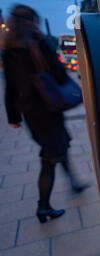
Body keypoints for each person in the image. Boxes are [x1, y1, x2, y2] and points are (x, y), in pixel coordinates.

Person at [2, 5, 86, 224]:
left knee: (60, 146)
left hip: (31, 113)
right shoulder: (38, 44)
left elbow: (10, 88)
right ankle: (43, 206)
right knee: (49, 159)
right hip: (49, 109)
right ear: (31, 22)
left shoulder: (9, 50)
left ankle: (74, 183)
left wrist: (13, 118)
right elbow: (59, 76)